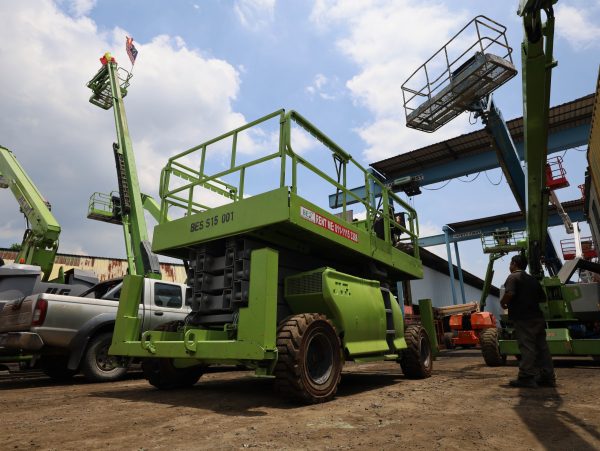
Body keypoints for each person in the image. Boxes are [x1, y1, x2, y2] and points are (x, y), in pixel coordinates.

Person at [500, 254, 556, 388]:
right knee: (542, 348)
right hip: (537, 317)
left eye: (510, 263)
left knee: (527, 347)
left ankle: (527, 377)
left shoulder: (513, 277)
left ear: (514, 264)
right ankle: (547, 377)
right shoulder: (532, 280)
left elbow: (510, 294)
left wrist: (503, 303)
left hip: (523, 318)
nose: (509, 266)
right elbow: (542, 298)